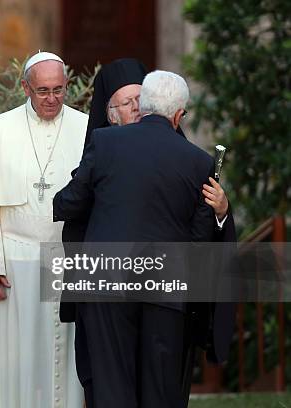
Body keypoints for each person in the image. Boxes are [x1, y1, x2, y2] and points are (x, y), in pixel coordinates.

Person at [59, 58, 237, 405]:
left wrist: (222, 212)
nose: (133, 109)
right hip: (162, 287)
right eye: (125, 103)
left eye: (136, 101)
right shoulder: (197, 160)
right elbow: (198, 240)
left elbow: (67, 206)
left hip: (114, 286)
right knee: (155, 389)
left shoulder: (104, 147)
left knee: (117, 387)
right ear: (177, 114)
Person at [0, 52, 86, 407]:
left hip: (68, 262)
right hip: (15, 263)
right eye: (43, 90)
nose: (51, 99)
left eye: (59, 90)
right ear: (25, 88)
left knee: (68, 357)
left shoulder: (88, 129)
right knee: (16, 358)